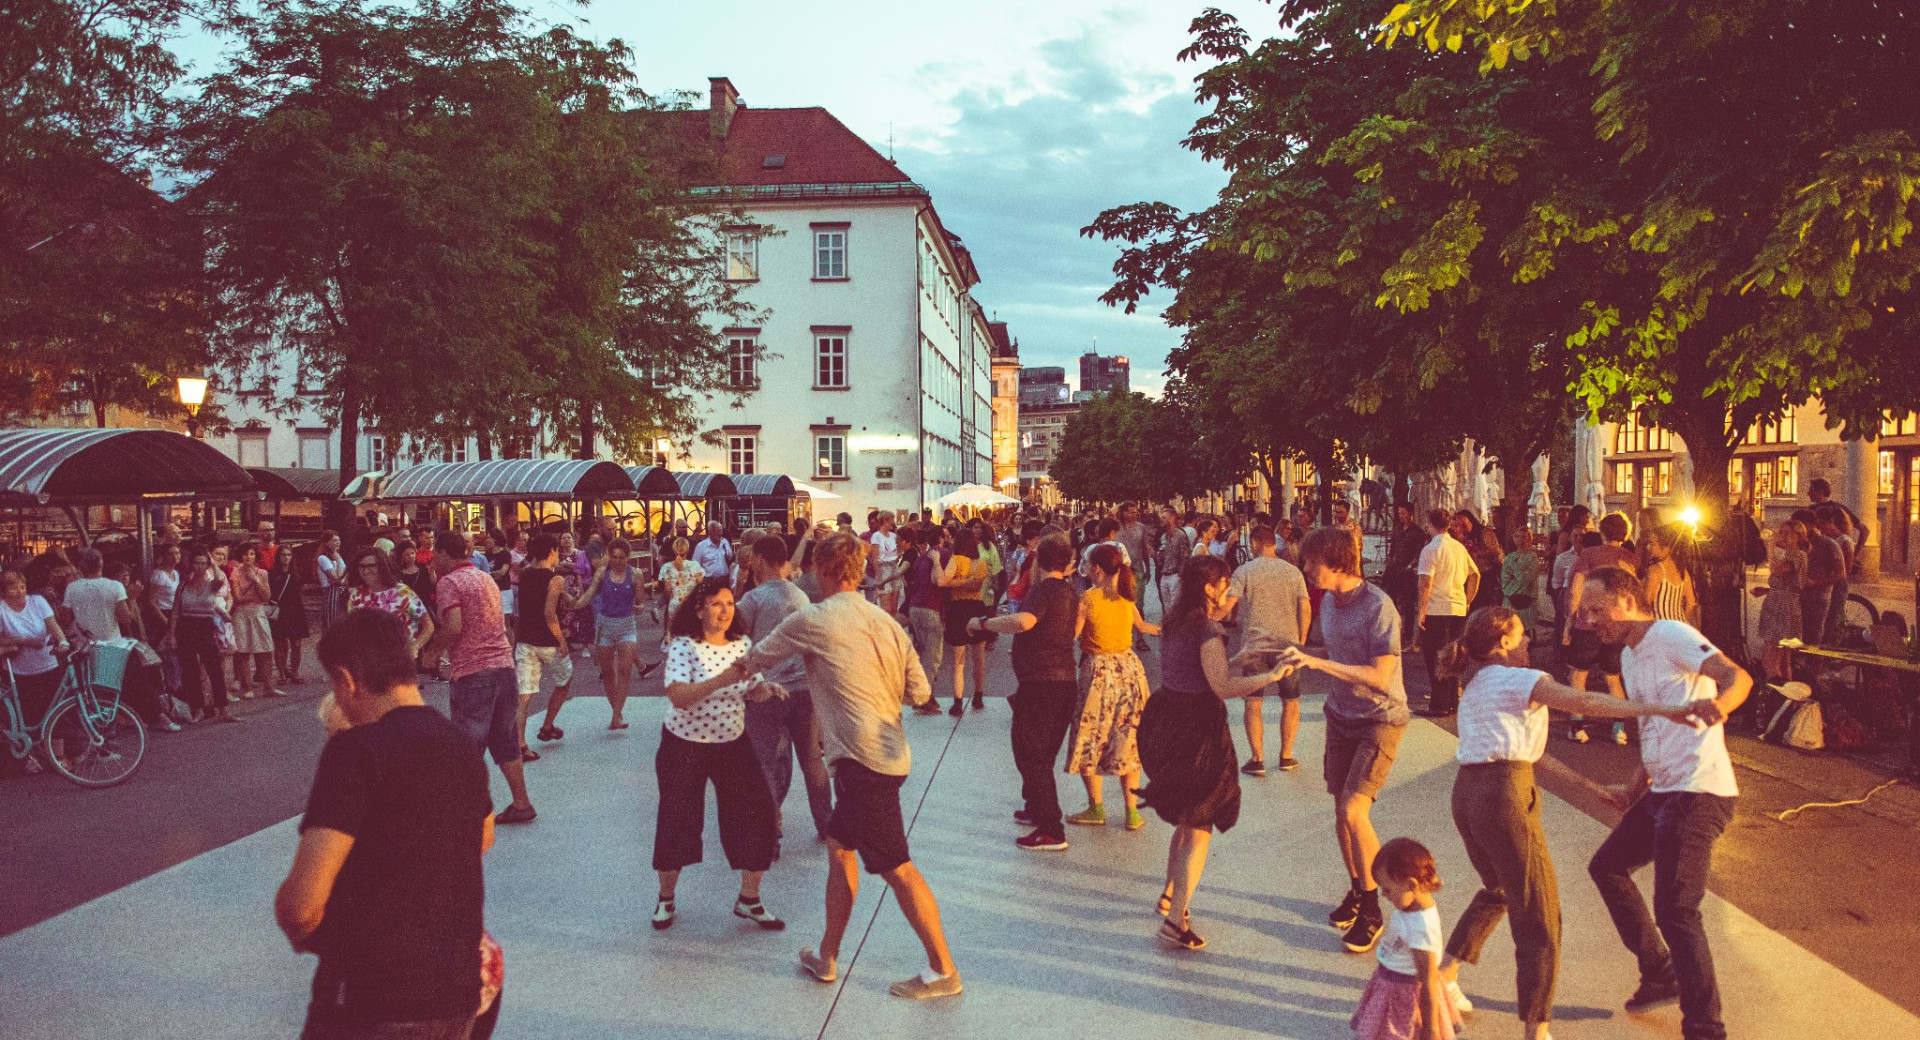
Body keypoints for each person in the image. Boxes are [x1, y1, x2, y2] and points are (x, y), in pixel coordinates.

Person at [1435, 607, 1717, 1040]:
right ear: (1503, 645)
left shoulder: (1477, 684)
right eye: (1521, 634)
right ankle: (1536, 1030)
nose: (1529, 640)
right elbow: (1585, 701)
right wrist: (1664, 709)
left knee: (1500, 889)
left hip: (1467, 795)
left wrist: (1588, 787)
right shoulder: (1521, 679)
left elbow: (1532, 757)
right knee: (1540, 917)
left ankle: (1445, 976)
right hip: (1503, 797)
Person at [736, 533, 962, 1000]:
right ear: (859, 572)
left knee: (897, 867)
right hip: (888, 754)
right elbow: (919, 694)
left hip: (864, 764)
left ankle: (944, 969)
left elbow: (754, 659)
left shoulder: (815, 619)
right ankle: (827, 956)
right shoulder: (887, 623)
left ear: (820, 571)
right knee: (840, 849)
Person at [275, 609, 491, 1040]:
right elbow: (483, 835)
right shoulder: (461, 744)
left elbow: (302, 904)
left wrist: (312, 933)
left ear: (346, 679)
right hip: (456, 994)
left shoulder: (356, 752)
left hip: (371, 998)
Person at [1581, 566, 1751, 1040]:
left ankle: (1705, 1027)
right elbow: (1651, 729)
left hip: (1700, 791)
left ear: (1627, 601)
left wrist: (1723, 704)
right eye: (1585, 611)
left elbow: (1738, 678)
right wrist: (1635, 787)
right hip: (1663, 792)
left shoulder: (1671, 634)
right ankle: (1659, 972)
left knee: (1677, 909)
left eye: (1598, 610)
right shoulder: (1630, 658)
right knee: (1608, 868)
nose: (1590, 620)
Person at [1135, 553, 1295, 951]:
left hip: (1169, 717)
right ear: (1208, 587)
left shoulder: (1176, 622)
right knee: (1200, 823)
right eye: (1224, 582)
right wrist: (1271, 675)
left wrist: (1241, 657)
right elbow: (1221, 685)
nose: (1229, 589)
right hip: (1197, 729)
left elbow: (1202, 668)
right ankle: (1175, 921)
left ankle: (1171, 896)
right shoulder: (1206, 629)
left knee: (1185, 821)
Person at [1282, 526, 1409, 954]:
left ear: (1335, 562)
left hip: (1380, 718)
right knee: (1341, 811)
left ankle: (1374, 909)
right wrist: (1293, 652)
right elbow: (1334, 658)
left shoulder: (1379, 607)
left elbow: (1379, 676)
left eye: (1309, 562)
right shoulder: (1331, 604)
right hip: (1341, 716)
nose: (1304, 568)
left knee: (1356, 811)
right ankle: (1357, 890)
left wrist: (1320, 665)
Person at [650, 576, 786, 932]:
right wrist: (723, 680)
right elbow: (677, 695)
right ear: (698, 610)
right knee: (677, 819)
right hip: (684, 745)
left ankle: (749, 899)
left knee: (757, 813)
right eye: (715, 603)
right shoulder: (683, 646)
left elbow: (749, 687)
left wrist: (764, 689)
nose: (725, 610)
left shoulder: (742, 644)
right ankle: (666, 898)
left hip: (731, 743)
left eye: (729, 603)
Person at [968, 532, 1079, 850]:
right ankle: (1036, 808)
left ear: (1039, 561)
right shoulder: (1070, 592)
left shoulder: (1042, 590)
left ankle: (1051, 829)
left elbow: (1024, 622)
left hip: (1041, 684)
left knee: (1031, 754)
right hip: (1063, 682)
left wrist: (984, 624)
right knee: (1041, 754)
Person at [424, 530, 536, 825]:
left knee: (467, 744)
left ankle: (468, 811)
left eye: (436, 554)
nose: (433, 560)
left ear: (446, 554)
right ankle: (521, 803)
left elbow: (454, 627)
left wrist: (431, 654)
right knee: (505, 740)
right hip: (503, 666)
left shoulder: (450, 582)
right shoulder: (485, 577)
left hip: (473, 671)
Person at [735, 535, 835, 847]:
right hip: (804, 689)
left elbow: (737, 640)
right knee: (811, 759)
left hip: (767, 689)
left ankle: (771, 827)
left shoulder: (753, 599)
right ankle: (826, 823)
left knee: (764, 760)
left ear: (761, 561)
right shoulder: (801, 597)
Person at [1061, 543, 1159, 831]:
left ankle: (1096, 807)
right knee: (1127, 740)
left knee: (1091, 737)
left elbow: (1072, 636)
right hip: (1130, 672)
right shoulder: (1127, 598)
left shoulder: (1087, 599)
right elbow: (1143, 628)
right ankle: (1132, 812)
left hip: (1099, 673)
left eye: (1089, 564)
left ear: (1097, 569)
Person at [1223, 525, 1314, 776]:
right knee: (1291, 701)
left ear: (1254, 543)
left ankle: (1257, 758)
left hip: (1254, 646)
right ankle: (1286, 755)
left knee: (1253, 703)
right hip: (1288, 645)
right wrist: (1300, 640)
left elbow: (1228, 605)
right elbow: (1305, 608)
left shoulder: (1244, 572)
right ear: (1273, 544)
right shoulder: (1293, 572)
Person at [1350, 838, 1460, 1040]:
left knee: (1400, 1033)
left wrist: (1430, 1028)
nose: (1383, 894)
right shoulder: (1408, 905)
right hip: (1389, 982)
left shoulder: (1421, 927)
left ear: (1411, 885)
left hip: (1405, 993)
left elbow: (1427, 981)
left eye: (1388, 889)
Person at [569, 538, 657, 733]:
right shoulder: (602, 572)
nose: (617, 561)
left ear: (628, 557)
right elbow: (589, 594)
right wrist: (575, 604)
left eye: (622, 557)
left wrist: (638, 607)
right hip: (604, 626)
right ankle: (615, 710)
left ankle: (617, 713)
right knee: (608, 672)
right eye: (614, 557)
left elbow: (641, 602)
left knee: (625, 670)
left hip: (626, 625)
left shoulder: (635, 575)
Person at [1562, 513, 1636, 744]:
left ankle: (1577, 727)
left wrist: (1569, 621)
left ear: (1602, 532)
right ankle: (1619, 728)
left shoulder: (1588, 554)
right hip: (1616, 625)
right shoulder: (1630, 559)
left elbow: (1576, 589)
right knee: (1613, 678)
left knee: (1578, 675)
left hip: (1588, 622)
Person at [1416, 508, 1480, 718]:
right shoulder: (1459, 547)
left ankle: (1439, 703)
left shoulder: (1430, 549)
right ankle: (1452, 700)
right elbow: (1475, 574)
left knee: (1436, 657)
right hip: (1458, 607)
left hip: (1437, 608)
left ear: (1431, 523)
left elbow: (1425, 583)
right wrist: (1468, 600)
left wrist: (1421, 611)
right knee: (1453, 657)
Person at [0, 569, 70, 751]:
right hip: (19, 671)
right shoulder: (1, 609)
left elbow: (53, 626)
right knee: (27, 714)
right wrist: (24, 641)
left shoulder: (37, 602)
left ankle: (58, 754)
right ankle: (33, 754)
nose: (19, 591)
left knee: (55, 709)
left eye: (22, 586)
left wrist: (62, 642)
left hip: (47, 664)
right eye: (13, 588)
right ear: (4, 591)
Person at [516, 535, 573, 753]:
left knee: (525, 693)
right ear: (551, 551)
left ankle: (520, 742)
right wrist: (562, 640)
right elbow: (549, 614)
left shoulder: (524, 574)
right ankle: (547, 725)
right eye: (556, 550)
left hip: (525, 640)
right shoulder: (555, 579)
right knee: (564, 678)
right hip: (548, 641)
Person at [171, 545, 237, 724]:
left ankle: (223, 709)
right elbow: (176, 612)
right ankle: (197, 709)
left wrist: (212, 560)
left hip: (205, 626)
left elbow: (220, 578)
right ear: (192, 564)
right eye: (196, 563)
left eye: (203, 563)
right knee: (190, 671)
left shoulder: (212, 584)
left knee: (214, 668)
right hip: (186, 626)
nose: (199, 566)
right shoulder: (184, 585)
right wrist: (172, 635)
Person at [936, 527, 991, 716]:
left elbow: (942, 581)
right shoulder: (981, 563)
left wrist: (956, 581)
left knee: (959, 659)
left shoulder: (956, 560)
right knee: (979, 656)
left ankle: (957, 701)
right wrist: (968, 582)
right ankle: (978, 694)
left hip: (958, 609)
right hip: (977, 607)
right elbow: (977, 585)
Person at [347, 548, 434, 659]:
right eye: (362, 566)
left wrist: (415, 647)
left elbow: (428, 626)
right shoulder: (356, 595)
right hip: (369, 662)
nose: (365, 570)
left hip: (399, 661)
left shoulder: (401, 592)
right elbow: (352, 631)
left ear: (382, 566)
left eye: (371, 565)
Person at [1753, 518, 1808, 686]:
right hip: (1783, 603)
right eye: (1780, 532)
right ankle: (1787, 697)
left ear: (1798, 536)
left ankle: (1775, 692)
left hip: (1782, 608)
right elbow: (1787, 583)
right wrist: (1767, 590)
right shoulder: (1792, 554)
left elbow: (1779, 571)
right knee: (1785, 659)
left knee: (1771, 655)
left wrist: (1770, 548)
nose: (1781, 537)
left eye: (1786, 533)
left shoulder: (1796, 554)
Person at [229, 542, 282, 699]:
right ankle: (247, 687)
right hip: (242, 614)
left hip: (258, 612)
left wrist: (256, 581)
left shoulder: (262, 573)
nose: (248, 557)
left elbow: (267, 596)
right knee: (244, 651)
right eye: (245, 554)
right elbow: (238, 598)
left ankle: (269, 686)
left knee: (266, 649)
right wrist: (255, 596)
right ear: (241, 556)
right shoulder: (235, 573)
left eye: (252, 554)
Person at [146, 544, 184, 704]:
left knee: (176, 656)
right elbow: (151, 602)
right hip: (163, 615)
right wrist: (166, 621)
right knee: (168, 656)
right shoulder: (159, 575)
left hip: (175, 614)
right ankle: (170, 691)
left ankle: (177, 689)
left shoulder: (175, 573)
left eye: (177, 553)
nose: (175, 557)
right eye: (171, 554)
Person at [269, 547, 313, 686]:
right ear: (278, 557)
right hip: (281, 610)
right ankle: (281, 673)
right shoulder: (271, 574)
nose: (286, 557)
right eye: (283, 555)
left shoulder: (297, 573)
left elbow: (301, 590)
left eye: (288, 555)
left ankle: (295, 672)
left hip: (295, 610)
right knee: (281, 644)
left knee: (296, 644)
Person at [1640, 525, 1698, 627]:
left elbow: (1646, 603)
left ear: (1666, 548)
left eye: (1652, 544)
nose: (1648, 547)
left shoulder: (1655, 570)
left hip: (1661, 628)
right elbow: (1691, 602)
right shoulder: (1682, 571)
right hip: (1680, 627)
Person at [1384, 504, 1424, 649]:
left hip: (1407, 572)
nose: (1401, 516)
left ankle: (1407, 634)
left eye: (1404, 513)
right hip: (1394, 569)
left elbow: (1418, 553)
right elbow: (1393, 548)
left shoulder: (1417, 532)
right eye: (1399, 513)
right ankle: (1392, 630)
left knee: (1408, 603)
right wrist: (1389, 562)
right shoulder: (1398, 529)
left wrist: (1409, 566)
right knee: (1391, 600)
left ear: (1411, 514)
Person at [656, 537, 702, 651]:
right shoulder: (695, 566)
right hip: (690, 604)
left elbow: (667, 589)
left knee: (674, 631)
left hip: (675, 602)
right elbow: (699, 585)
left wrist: (672, 598)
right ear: (688, 550)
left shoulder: (667, 567)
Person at [1500, 528, 1545, 642]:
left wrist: (1516, 576)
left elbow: (1527, 578)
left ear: (1529, 539)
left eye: (1524, 536)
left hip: (1526, 599)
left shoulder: (1532, 557)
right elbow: (1505, 576)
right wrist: (1509, 591)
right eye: (1517, 536)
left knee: (1524, 630)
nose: (1520, 540)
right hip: (1510, 598)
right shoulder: (1510, 557)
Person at [1156, 505, 1192, 612]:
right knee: (1166, 608)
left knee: (1175, 608)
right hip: (1164, 574)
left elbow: (1185, 556)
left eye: (1164, 517)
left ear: (1172, 518)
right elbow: (1161, 558)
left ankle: (1176, 628)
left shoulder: (1180, 535)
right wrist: (1159, 555)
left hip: (1175, 575)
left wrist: (1180, 575)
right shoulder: (1163, 536)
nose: (1161, 520)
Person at [314, 531, 348, 633]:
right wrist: (337, 560)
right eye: (335, 540)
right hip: (331, 591)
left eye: (339, 540)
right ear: (327, 543)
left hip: (342, 591)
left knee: (342, 622)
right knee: (331, 623)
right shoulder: (323, 558)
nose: (338, 542)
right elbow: (337, 578)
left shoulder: (337, 556)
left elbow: (346, 574)